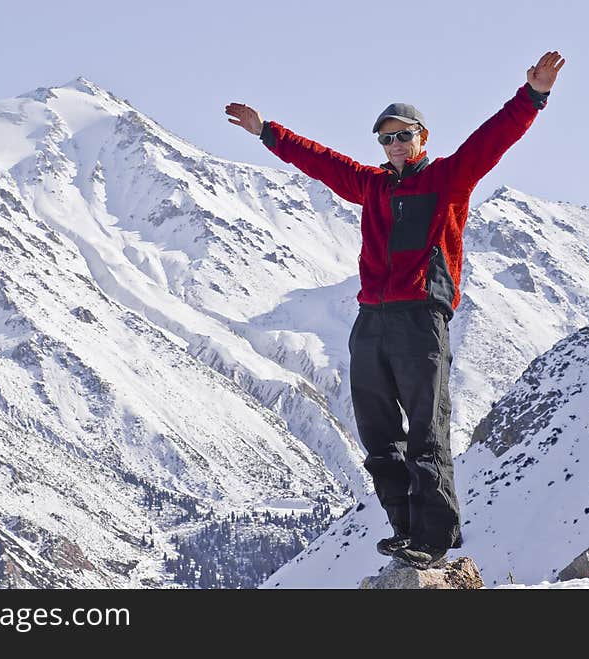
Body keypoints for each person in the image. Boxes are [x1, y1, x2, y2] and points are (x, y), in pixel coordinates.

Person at [225, 52, 565, 568]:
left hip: (419, 317)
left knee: (428, 428)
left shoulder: (450, 178)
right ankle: (404, 528)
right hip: (372, 321)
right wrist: (266, 131)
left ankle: (436, 534)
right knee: (378, 432)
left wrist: (532, 96)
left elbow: (493, 138)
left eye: (403, 135)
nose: (395, 144)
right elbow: (320, 160)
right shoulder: (372, 185)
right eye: (386, 138)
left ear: (422, 138)